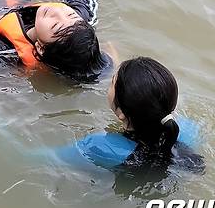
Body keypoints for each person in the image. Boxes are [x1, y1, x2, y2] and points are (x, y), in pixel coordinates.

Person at [47, 57, 204, 172]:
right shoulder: (187, 127)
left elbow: (48, 158)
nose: (109, 84)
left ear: (121, 113)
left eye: (111, 83)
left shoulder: (99, 146)